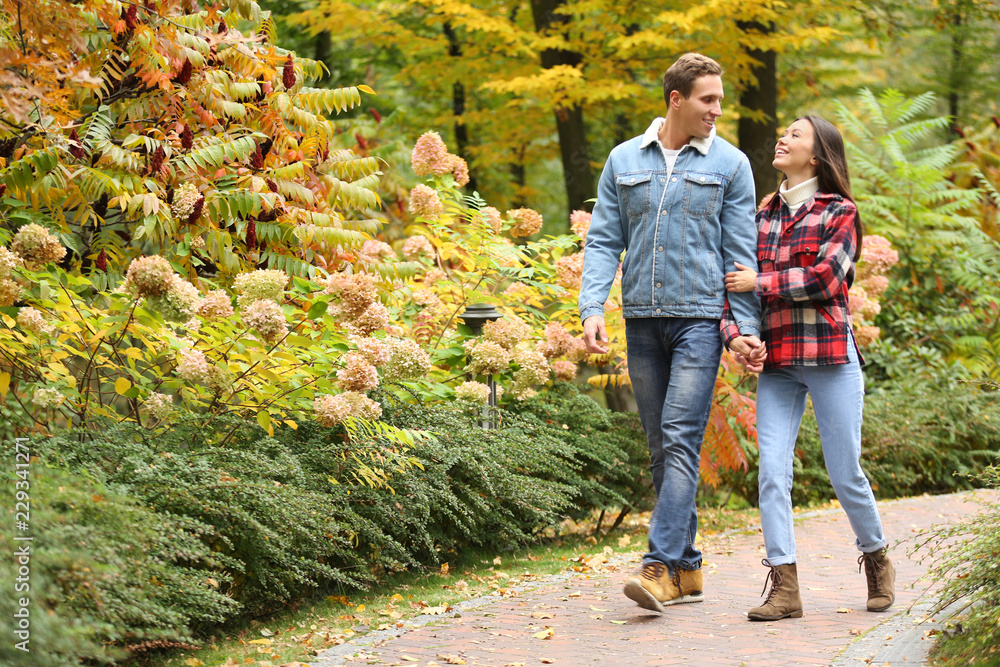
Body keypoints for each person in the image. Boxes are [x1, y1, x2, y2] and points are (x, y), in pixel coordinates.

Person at [579, 52, 763, 613]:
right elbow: (605, 238)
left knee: (681, 438)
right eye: (708, 100)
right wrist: (592, 306)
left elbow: (740, 254)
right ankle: (688, 570)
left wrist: (742, 331)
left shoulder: (730, 165)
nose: (717, 111)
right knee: (662, 446)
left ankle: (657, 567)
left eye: (721, 101)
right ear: (676, 100)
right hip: (641, 319)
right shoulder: (623, 159)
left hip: (700, 321)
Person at [722, 115, 895, 621]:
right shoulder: (759, 217)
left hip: (830, 358)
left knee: (846, 474)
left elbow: (825, 279)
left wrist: (760, 282)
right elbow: (728, 291)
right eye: (785, 132)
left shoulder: (841, 211)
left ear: (817, 156)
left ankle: (877, 558)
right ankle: (785, 587)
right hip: (776, 364)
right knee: (772, 474)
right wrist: (739, 339)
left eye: (796, 134)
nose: (783, 138)